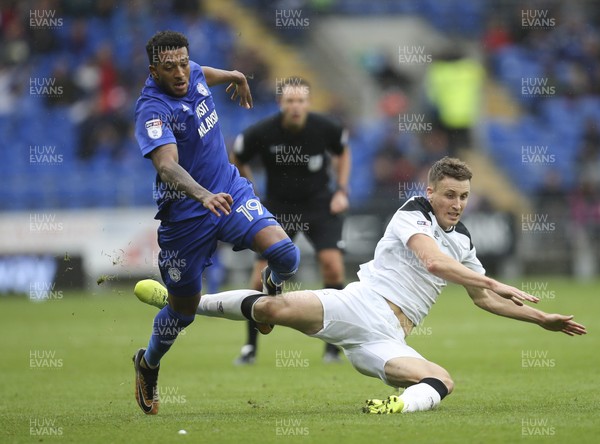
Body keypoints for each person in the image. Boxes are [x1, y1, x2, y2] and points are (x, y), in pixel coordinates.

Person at [135, 157, 586, 414]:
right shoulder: (414, 213)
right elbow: (432, 263)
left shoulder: (463, 239)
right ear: (431, 192)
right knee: (273, 311)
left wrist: (539, 318)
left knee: (440, 379)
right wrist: (494, 280)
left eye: (464, 197)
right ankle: (187, 302)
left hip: (388, 338)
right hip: (362, 304)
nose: (457, 204)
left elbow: (483, 297)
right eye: (449, 194)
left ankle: (391, 409)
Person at [131, 31, 300, 415]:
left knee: (286, 255)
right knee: (183, 312)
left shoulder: (190, 70)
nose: (181, 74)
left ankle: (269, 286)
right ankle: (149, 363)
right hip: (187, 216)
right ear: (153, 70)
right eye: (169, 67)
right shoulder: (152, 110)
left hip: (229, 190)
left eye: (183, 64)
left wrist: (236, 74)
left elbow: (201, 70)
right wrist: (203, 195)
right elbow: (167, 165)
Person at [230, 77, 351, 364]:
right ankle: (250, 347)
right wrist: (250, 191)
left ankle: (333, 346)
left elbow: (343, 151)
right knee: (259, 274)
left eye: (300, 101)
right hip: (278, 209)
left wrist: (342, 190)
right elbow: (237, 155)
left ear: (308, 103)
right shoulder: (263, 131)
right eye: (290, 101)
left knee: (333, 268)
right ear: (280, 104)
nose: (295, 106)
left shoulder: (326, 128)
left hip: (320, 204)